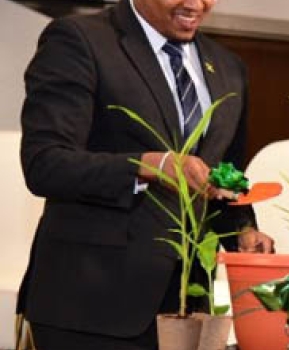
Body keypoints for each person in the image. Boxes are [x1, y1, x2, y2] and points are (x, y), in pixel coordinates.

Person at [17, 0, 274, 348]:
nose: (196, 4)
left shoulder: (229, 67)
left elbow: (224, 172)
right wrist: (151, 167)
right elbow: (46, 163)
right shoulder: (80, 39)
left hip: (188, 309)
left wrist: (242, 230)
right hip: (90, 307)